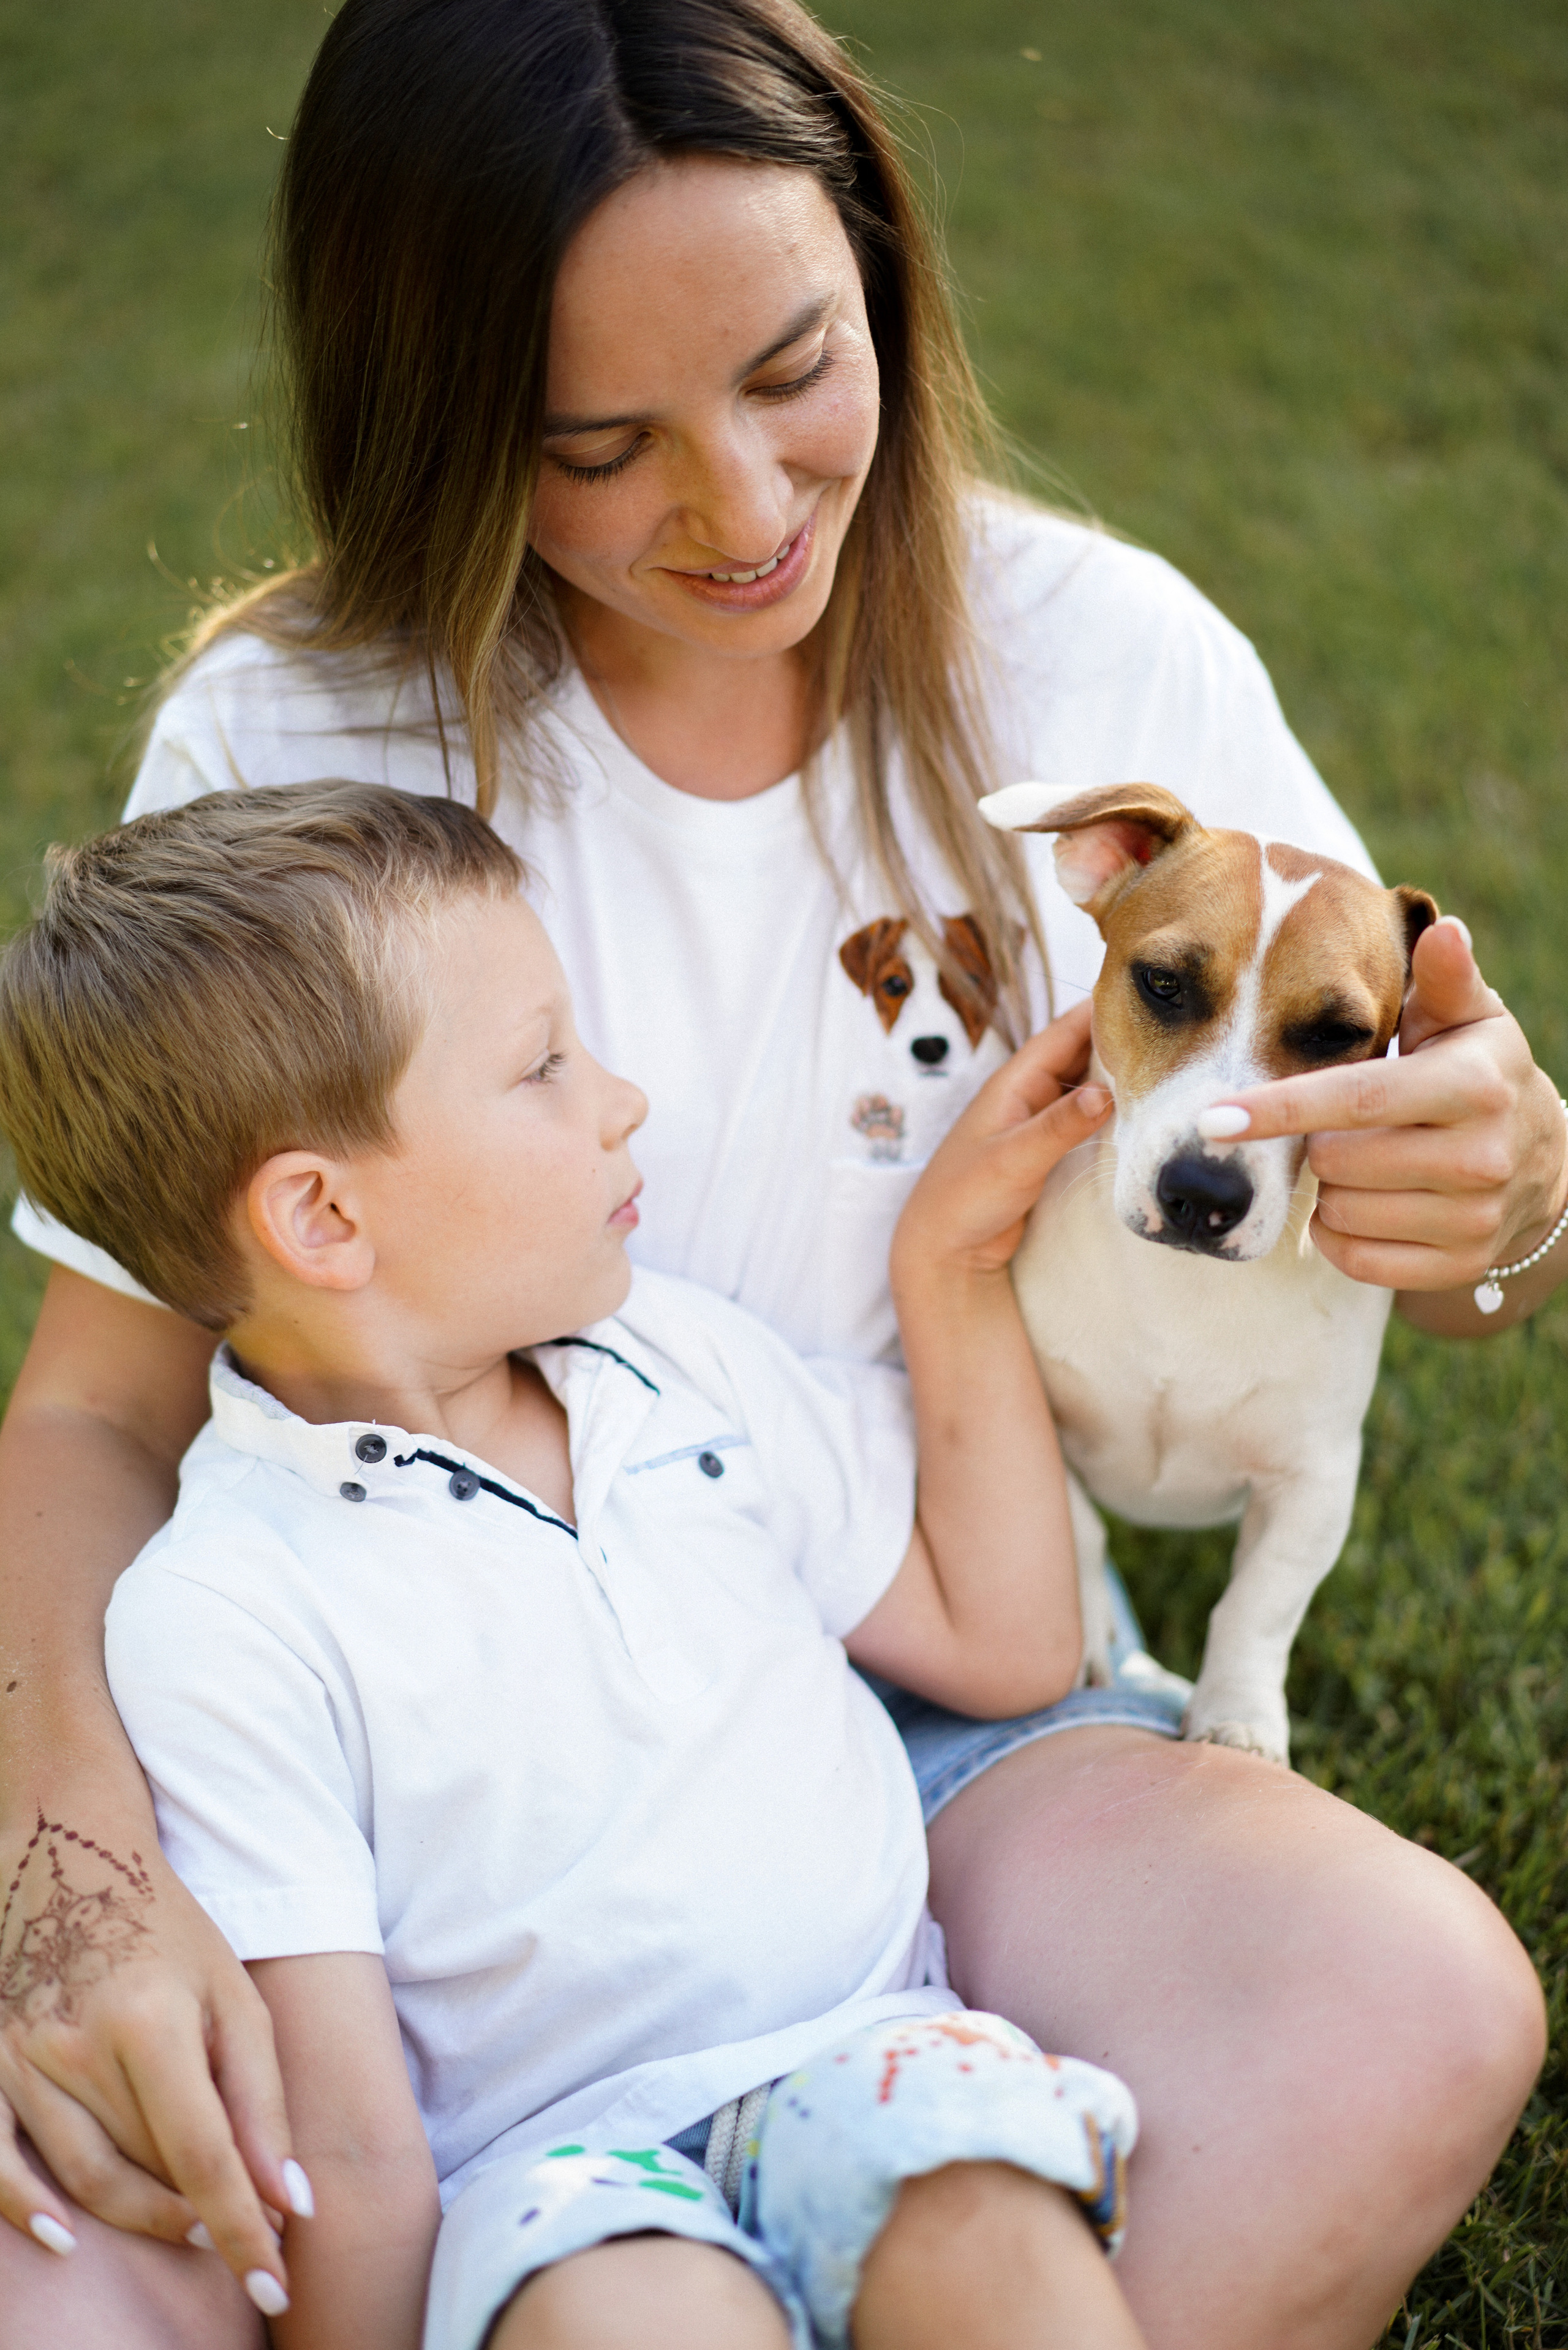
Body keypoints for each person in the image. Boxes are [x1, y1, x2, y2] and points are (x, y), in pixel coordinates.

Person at [0, 2, 1555, 2344]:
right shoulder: (302, 730)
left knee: (1405, 1998)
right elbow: (99, 1411)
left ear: (888, 281)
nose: (737, 511)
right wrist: (78, 1873)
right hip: (416, 1736)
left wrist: (1499, 1190)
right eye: (595, 443)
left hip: (953, 1687)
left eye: (794, 367)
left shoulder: (1103, 658)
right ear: (437, 417)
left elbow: (1384, 1212)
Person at [0, 778, 1148, 2350]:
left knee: (994, 2240)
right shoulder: (223, 1608)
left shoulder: (667, 1356)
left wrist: (944, 1267)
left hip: (874, 2050)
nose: (619, 1096)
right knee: (634, 2321)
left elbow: (1004, 1640)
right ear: (324, 1216)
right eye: (542, 1064)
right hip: (559, 2178)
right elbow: (346, 2137)